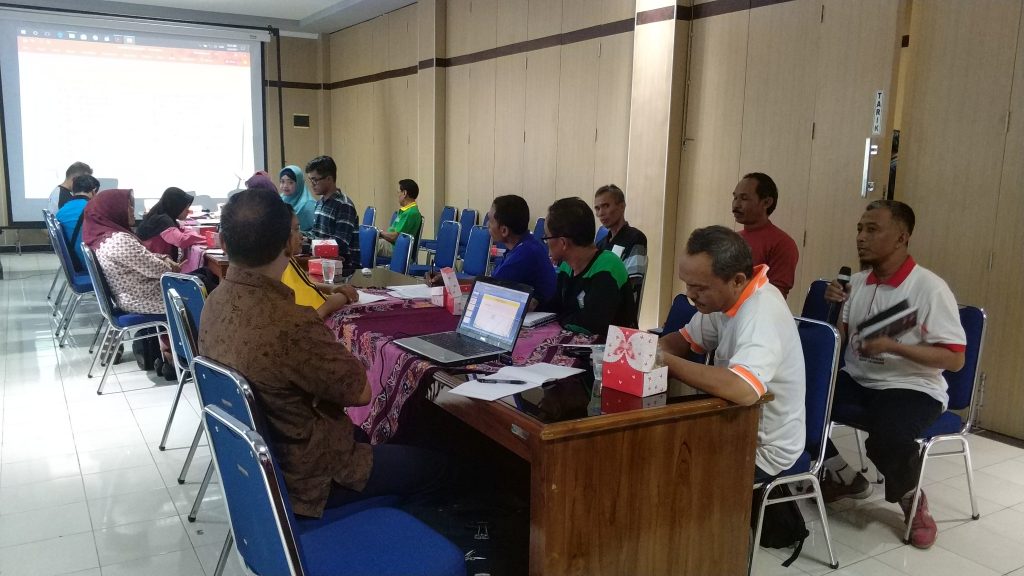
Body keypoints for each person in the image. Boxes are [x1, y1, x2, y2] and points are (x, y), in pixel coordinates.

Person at [198, 188, 448, 519]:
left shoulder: (213, 301)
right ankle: (392, 536)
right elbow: (360, 392)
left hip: (264, 470)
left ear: (223, 242)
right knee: (439, 468)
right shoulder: (289, 322)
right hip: (314, 479)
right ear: (289, 244)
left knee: (379, 436)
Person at [820, 200, 965, 550]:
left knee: (887, 437)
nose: (861, 237)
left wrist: (895, 347)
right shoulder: (857, 283)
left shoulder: (929, 288)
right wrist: (835, 307)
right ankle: (845, 476)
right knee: (796, 401)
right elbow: (841, 340)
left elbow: (955, 359)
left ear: (901, 237)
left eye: (872, 229)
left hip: (912, 385)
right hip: (859, 378)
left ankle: (913, 500)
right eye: (859, 229)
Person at [658, 225, 805, 481]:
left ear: (736, 280)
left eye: (699, 287)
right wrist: (651, 350)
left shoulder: (761, 311)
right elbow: (683, 340)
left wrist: (665, 362)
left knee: (664, 469)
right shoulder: (723, 300)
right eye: (687, 285)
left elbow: (743, 389)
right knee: (654, 447)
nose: (690, 295)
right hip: (729, 423)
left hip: (761, 449)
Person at [83, 189, 178, 377]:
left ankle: (171, 356)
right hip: (142, 298)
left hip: (133, 294)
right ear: (113, 209)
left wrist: (164, 259)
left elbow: (145, 258)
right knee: (195, 295)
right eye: (128, 206)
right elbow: (158, 270)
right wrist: (170, 264)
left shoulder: (105, 236)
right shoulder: (119, 240)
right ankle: (180, 360)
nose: (133, 210)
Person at [426, 195, 556, 307]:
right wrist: (448, 279)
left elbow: (488, 287)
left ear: (504, 230)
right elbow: (491, 281)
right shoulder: (525, 246)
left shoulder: (524, 254)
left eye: (491, 221)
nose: (487, 225)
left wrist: (451, 281)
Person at [540, 197, 635, 335]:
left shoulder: (608, 268)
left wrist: (561, 318)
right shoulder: (567, 266)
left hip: (609, 346)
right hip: (576, 341)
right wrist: (534, 305)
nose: (546, 242)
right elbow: (556, 306)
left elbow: (589, 326)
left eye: (546, 237)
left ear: (563, 243)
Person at [281, 209, 360, 319]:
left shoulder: (280, 259)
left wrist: (332, 288)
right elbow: (319, 308)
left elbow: (304, 285)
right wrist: (345, 295)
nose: (301, 236)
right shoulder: (285, 261)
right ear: (283, 233)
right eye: (297, 229)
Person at [731, 173, 799, 299]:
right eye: (735, 197)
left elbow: (776, 295)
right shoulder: (730, 239)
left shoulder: (783, 243)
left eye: (744, 198)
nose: (736, 205)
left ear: (766, 202)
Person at [307, 155, 361, 274]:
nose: (312, 184)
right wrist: (303, 239)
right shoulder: (320, 203)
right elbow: (316, 235)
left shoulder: (344, 205)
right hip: (324, 263)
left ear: (329, 179)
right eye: (310, 180)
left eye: (315, 180)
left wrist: (310, 246)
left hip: (344, 269)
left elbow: (339, 245)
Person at [136, 187, 205, 262]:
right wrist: (206, 239)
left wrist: (192, 234)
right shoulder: (163, 220)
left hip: (156, 261)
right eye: (186, 208)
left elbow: (181, 230)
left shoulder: (160, 215)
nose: (188, 211)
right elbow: (181, 241)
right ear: (177, 207)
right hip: (156, 264)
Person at [594, 184, 648, 276]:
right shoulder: (600, 244)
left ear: (622, 206)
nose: (601, 213)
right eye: (597, 208)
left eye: (606, 206)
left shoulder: (635, 238)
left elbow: (634, 279)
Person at [55, 174, 99, 271]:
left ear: (73, 191)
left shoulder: (61, 211)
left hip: (72, 262)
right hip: (89, 264)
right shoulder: (94, 210)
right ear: (94, 191)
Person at [377, 179, 422, 257]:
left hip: (397, 249)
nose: (397, 195)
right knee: (367, 240)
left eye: (398, 192)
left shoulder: (410, 213)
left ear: (404, 193)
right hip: (391, 244)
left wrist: (380, 233)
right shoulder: (406, 211)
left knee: (367, 243)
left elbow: (395, 237)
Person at [279, 165, 316, 233]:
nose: (285, 186)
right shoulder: (280, 199)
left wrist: (298, 234)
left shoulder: (309, 205)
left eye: (290, 182)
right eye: (282, 181)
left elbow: (317, 232)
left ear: (299, 183)